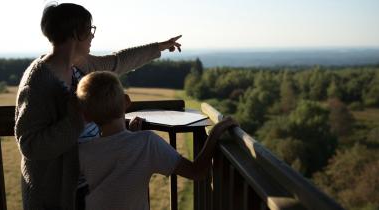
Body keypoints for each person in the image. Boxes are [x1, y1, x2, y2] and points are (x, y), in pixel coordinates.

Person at [14, 2, 182, 210]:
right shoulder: (38, 81)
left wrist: (159, 47)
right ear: (77, 33)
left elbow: (118, 61)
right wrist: (79, 118)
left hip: (91, 187)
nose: (93, 36)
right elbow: (30, 145)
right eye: (90, 30)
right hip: (57, 195)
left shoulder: (81, 65)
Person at [76, 71, 237, 210]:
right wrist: (215, 132)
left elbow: (113, 155)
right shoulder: (146, 143)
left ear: (86, 116)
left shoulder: (83, 151)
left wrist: (130, 134)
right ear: (126, 101)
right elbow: (197, 172)